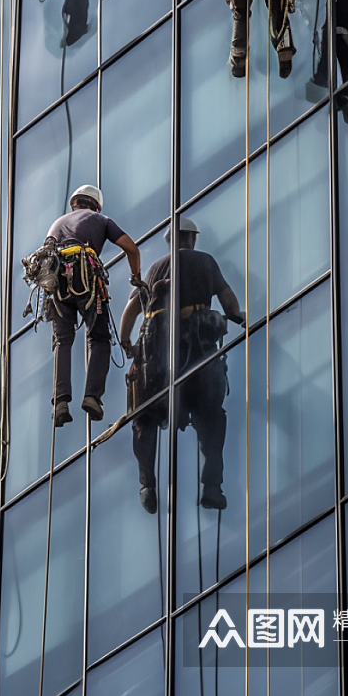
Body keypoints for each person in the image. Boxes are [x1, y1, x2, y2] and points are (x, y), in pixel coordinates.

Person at [119, 218, 244, 514]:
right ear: (191, 239)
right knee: (211, 417)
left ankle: (147, 484)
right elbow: (227, 299)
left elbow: (131, 310)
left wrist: (126, 344)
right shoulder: (205, 262)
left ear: (171, 241)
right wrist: (238, 316)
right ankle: (212, 487)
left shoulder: (154, 269)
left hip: (157, 361)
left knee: (144, 419)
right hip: (198, 353)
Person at [43, 184, 142, 427]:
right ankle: (92, 397)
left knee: (62, 341)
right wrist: (136, 276)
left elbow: (46, 257)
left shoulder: (56, 224)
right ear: (95, 205)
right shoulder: (100, 219)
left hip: (57, 285)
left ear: (74, 203)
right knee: (98, 338)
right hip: (86, 279)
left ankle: (61, 403)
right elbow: (131, 248)